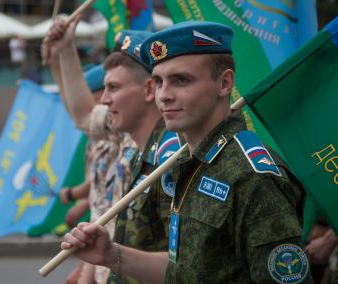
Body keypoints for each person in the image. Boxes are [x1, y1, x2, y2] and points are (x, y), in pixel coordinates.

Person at [61, 21, 314, 283]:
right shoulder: (187, 162)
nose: (164, 95)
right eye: (159, 81)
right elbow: (184, 269)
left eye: (181, 80)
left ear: (225, 83)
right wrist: (111, 255)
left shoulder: (253, 177)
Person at [46, 19, 181, 284]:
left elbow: (186, 266)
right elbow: (84, 114)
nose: (104, 100)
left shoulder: (172, 155)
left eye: (114, 88)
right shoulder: (127, 134)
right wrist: (64, 50)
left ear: (148, 90)